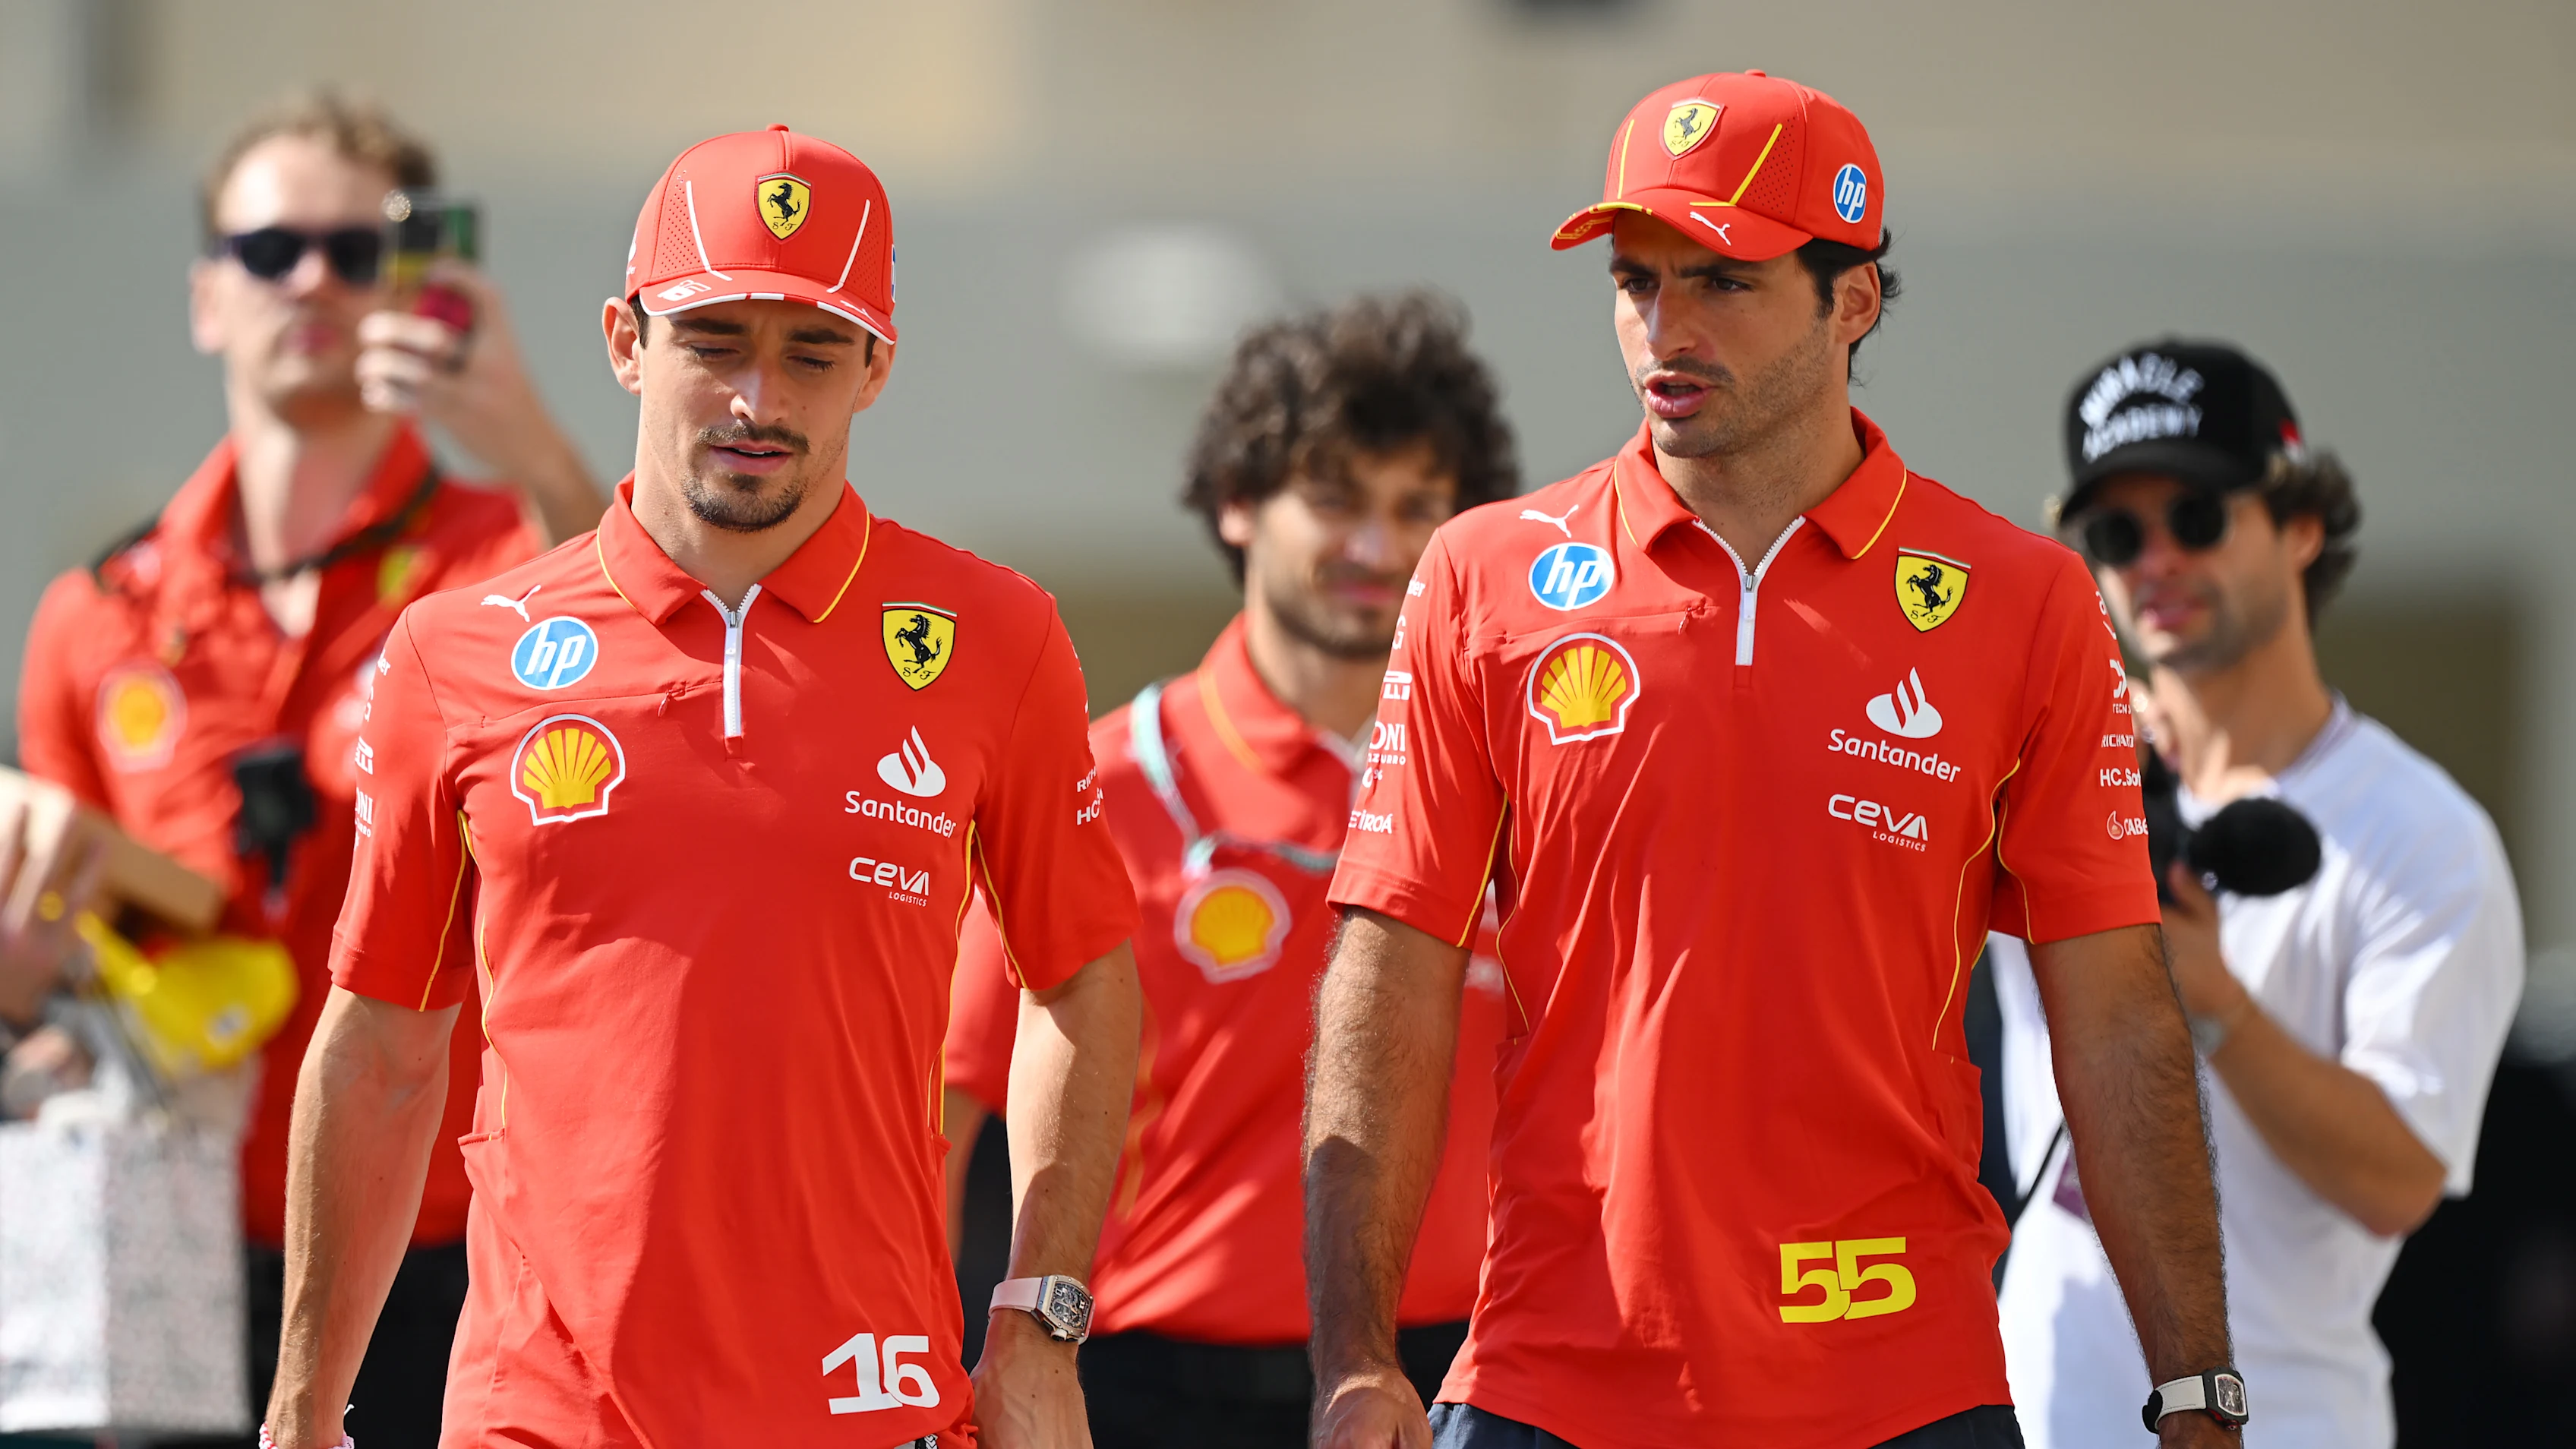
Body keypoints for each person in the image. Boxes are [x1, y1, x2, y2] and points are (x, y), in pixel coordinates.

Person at [1303, 71, 2247, 1449]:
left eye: (1723, 283)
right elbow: (1390, 973)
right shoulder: (1482, 577)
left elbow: (2114, 1011)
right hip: (1550, 1384)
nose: (1663, 330)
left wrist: (2197, 1392)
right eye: (1637, 282)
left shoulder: (2024, 599)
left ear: (1853, 299)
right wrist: (1354, 1360)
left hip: (1901, 1391)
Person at [259, 125, 1142, 1449]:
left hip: (872, 1406)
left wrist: (1036, 1324)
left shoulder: (996, 636)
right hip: (540, 1414)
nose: (759, 400)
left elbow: (1081, 977)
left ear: (877, 370)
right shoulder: (455, 654)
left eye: (813, 351)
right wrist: (301, 1414)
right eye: (714, 341)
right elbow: (383, 1046)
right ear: (627, 341)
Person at [0, 92, 601, 1446]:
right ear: (210, 294)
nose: (313, 279)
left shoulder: (510, 557)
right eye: (272, 251)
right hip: (165, 1246)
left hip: (451, 1256)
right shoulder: (94, 616)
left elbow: (649, 676)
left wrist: (536, 448)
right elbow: (62, 980)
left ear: (418, 283)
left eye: (356, 249)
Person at [942, 293, 1520, 1447]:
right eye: (1338, 499)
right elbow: (940, 1113)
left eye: (1419, 508)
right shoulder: (1100, 778)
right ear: (1238, 503)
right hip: (1157, 1385)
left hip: (1459, 1381)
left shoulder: (1519, 793)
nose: (1379, 547)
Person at [1991, 340, 2524, 1448]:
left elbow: (2398, 1181)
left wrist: (2208, 994)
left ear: (2300, 526)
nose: (2154, 562)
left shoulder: (2424, 836)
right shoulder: (2043, 776)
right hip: (2032, 1419)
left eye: (2194, 515)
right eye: (2116, 535)